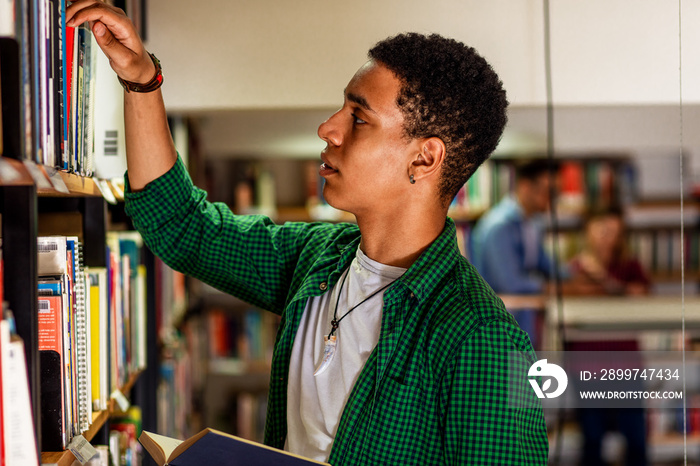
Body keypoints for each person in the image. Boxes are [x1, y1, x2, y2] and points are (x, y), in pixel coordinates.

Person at [66, 2, 548, 464]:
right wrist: (141, 81)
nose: (328, 128)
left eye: (358, 118)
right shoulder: (318, 258)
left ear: (423, 158)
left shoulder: (482, 340)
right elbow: (182, 227)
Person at [568, 206, 650, 466]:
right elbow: (572, 301)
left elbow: (642, 295)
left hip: (626, 364)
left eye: (614, 231)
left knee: (636, 438)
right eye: (602, 229)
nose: (607, 237)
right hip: (587, 366)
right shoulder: (574, 267)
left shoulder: (630, 265)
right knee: (592, 438)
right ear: (589, 231)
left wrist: (604, 280)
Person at [470, 159, 563, 348]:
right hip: (498, 328)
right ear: (525, 186)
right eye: (548, 192)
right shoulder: (498, 226)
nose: (552, 200)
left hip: (526, 320)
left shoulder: (533, 223)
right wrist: (552, 287)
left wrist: (579, 274)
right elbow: (509, 283)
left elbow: (546, 264)